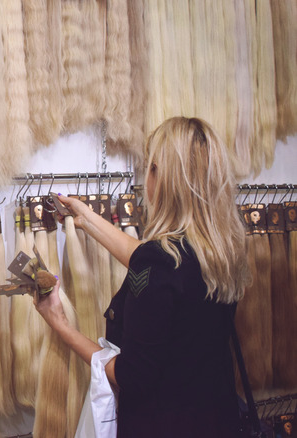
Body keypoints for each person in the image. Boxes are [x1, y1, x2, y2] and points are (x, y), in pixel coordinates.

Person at [33, 117, 250, 437]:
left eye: (150, 167)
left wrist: (61, 325)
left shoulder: (160, 263)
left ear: (164, 180)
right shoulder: (222, 252)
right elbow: (160, 267)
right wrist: (87, 219)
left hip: (162, 425)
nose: (145, 177)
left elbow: (130, 376)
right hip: (218, 419)